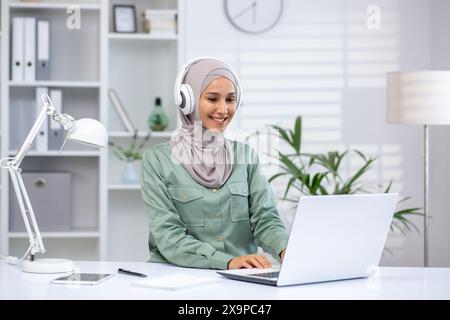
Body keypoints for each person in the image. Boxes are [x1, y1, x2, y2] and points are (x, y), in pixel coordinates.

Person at [141, 57, 288, 270]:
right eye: (212, 99)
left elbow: (265, 218)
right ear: (187, 101)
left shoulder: (245, 156)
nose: (223, 109)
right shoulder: (157, 160)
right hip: (176, 278)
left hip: (241, 279)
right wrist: (226, 261)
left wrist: (285, 250)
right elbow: (167, 235)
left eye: (230, 99)